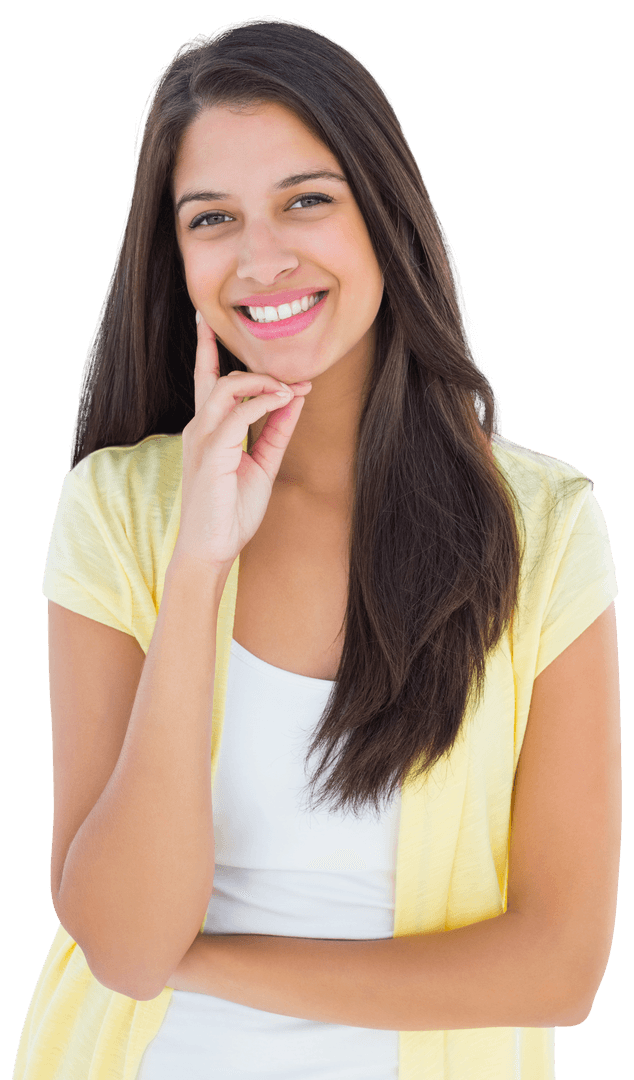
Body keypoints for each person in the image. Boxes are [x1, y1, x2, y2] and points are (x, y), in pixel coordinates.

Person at [13, 15, 620, 1080]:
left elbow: (558, 968)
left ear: (384, 213)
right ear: (176, 256)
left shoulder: (543, 521)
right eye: (211, 218)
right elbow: (121, 935)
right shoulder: (116, 509)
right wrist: (200, 563)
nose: (262, 256)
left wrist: (194, 962)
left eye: (306, 200)